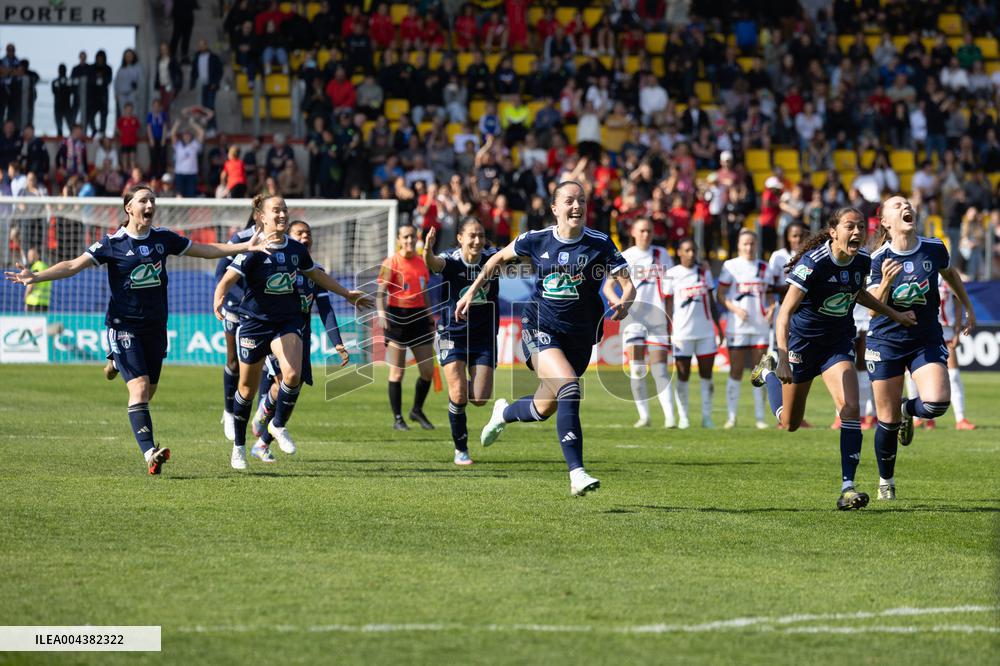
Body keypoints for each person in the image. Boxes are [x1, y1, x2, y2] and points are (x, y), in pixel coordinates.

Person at [4, 184, 267, 475]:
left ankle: (114, 362)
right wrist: (37, 276)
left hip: (155, 329)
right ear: (129, 208)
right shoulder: (112, 243)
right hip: (123, 325)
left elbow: (204, 249)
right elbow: (72, 265)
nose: (150, 204)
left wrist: (243, 247)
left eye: (152, 200)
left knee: (149, 391)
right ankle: (150, 453)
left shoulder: (162, 239)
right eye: (143, 200)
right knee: (139, 388)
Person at [462, 181, 635, 496]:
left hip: (580, 336)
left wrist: (626, 301)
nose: (576, 206)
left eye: (581, 200)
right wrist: (472, 292)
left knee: (544, 408)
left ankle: (502, 413)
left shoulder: (600, 242)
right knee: (569, 386)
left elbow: (627, 283)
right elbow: (496, 259)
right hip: (539, 325)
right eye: (569, 201)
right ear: (555, 209)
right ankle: (577, 474)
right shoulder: (535, 239)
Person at [750, 207, 917, 510]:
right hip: (802, 345)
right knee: (790, 422)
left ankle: (848, 488)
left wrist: (895, 314)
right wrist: (785, 357)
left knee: (850, 409)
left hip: (837, 344)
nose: (856, 233)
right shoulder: (813, 264)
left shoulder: (863, 261)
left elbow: (858, 294)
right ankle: (771, 370)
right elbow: (784, 313)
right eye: (849, 227)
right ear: (833, 231)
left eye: (860, 227)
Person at [213, 195, 368, 469]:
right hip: (254, 323)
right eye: (277, 210)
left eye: (285, 209)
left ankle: (277, 424)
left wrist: (346, 293)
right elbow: (228, 276)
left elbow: (316, 275)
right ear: (262, 216)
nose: (282, 214)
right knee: (247, 390)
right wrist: (219, 297)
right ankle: (238, 447)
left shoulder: (296, 249)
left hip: (286, 321)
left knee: (292, 375)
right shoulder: (253, 249)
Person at [863, 196, 976, 500]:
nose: (906, 207)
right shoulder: (877, 259)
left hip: (924, 337)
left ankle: (906, 408)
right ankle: (886, 481)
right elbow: (873, 310)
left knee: (937, 403)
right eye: (897, 206)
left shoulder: (933, 247)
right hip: (885, 340)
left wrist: (967, 306)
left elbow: (949, 273)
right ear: (885, 222)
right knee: (885, 421)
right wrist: (886, 281)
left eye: (907, 204)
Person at [249, 219, 363, 462]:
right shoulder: (271, 262)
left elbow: (326, 309)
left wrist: (338, 342)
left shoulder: (316, 272)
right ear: (289, 237)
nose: (305, 237)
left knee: (294, 387)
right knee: (283, 380)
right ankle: (264, 410)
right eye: (299, 233)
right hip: (275, 331)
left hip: (301, 335)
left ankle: (262, 443)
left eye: (308, 233)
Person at [423, 219, 500, 466]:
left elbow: (519, 258)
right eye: (472, 236)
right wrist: (427, 250)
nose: (477, 241)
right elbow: (434, 264)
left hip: (483, 335)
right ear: (459, 238)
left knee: (479, 398)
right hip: (451, 333)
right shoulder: (451, 259)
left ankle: (462, 385)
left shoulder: (493, 258)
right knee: (458, 394)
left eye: (481, 235)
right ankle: (461, 450)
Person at [606, 217, 676, 428]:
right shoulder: (626, 256)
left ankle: (671, 418)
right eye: (642, 230)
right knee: (636, 369)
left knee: (660, 369)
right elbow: (608, 286)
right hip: (633, 318)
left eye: (649, 231)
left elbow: (669, 290)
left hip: (657, 317)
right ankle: (644, 416)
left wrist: (670, 317)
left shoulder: (662, 255)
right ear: (633, 233)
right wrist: (618, 302)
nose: (646, 234)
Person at [376, 224, 437, 430]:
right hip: (397, 318)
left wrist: (429, 315)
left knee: (427, 371)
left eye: (412, 236)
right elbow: (380, 293)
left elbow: (424, 292)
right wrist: (382, 313)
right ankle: (398, 418)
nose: (409, 240)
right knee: (397, 372)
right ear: (399, 239)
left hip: (419, 317)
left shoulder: (421, 262)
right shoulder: (391, 262)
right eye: (405, 237)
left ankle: (416, 410)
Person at [717, 230, 775, 429]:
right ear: (739, 245)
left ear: (756, 245)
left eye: (752, 243)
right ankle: (731, 417)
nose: (748, 247)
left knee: (759, 372)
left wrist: (772, 309)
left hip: (759, 326)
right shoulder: (730, 266)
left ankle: (760, 418)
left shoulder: (764, 267)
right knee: (735, 371)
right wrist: (735, 309)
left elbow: (769, 295)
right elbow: (721, 294)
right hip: (737, 327)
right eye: (745, 244)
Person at [664, 238, 721, 429]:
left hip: (705, 333)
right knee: (682, 375)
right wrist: (667, 330)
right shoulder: (671, 274)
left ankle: (707, 417)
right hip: (682, 333)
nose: (690, 254)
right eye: (687, 250)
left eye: (693, 250)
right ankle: (684, 418)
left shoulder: (704, 271)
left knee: (707, 376)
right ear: (679, 252)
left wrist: (718, 327)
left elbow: (712, 303)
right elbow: (668, 306)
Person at [914, 280, 974, 430]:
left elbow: (958, 300)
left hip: (946, 331)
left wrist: (957, 330)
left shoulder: (948, 277)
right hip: (923, 330)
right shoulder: (920, 271)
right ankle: (919, 418)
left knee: (953, 375)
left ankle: (961, 418)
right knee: (913, 375)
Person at [23, 247, 50, 312]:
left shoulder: (36, 267)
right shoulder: (45, 266)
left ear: (38, 255)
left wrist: (25, 298)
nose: (30, 257)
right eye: (29, 255)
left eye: (32, 255)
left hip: (33, 302)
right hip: (44, 303)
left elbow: (31, 284)